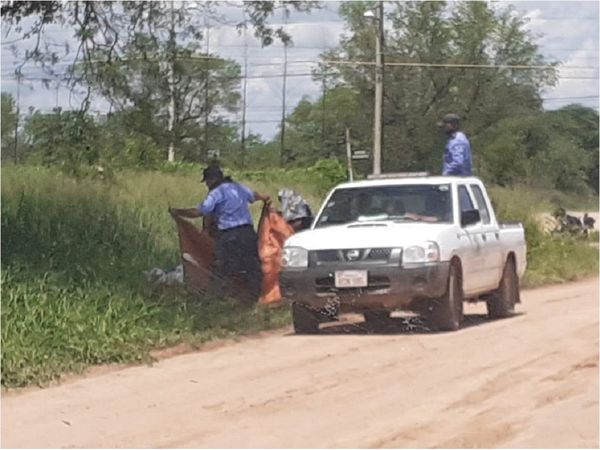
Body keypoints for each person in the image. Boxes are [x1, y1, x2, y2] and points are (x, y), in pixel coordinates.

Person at [170, 165, 270, 303]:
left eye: (207, 182)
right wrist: (266, 199)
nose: (206, 185)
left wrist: (178, 212)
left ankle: (214, 302)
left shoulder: (216, 194)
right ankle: (254, 300)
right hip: (247, 234)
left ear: (211, 179)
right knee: (252, 268)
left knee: (222, 270)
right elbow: (256, 196)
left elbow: (199, 212)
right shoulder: (237, 187)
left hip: (229, 236)